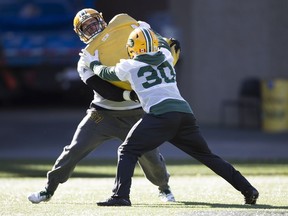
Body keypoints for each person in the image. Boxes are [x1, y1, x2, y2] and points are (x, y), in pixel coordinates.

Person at [80, 27, 259, 206]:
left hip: (160, 115)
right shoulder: (166, 56)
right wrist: (149, 29)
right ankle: (248, 189)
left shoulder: (129, 66)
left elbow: (104, 72)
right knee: (208, 156)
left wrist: (92, 61)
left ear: (132, 47)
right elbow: (164, 42)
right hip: (184, 113)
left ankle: (120, 196)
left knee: (127, 150)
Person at [28, 8, 181, 204]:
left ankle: (164, 188)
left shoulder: (128, 40)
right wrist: (131, 93)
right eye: (87, 26)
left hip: (134, 114)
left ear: (102, 20)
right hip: (102, 115)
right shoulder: (85, 59)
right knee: (74, 150)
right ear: (81, 33)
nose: (93, 27)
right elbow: (107, 91)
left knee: (152, 157)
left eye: (94, 22)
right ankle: (48, 189)